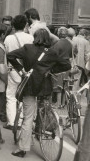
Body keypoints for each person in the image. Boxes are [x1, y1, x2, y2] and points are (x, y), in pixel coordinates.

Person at [7, 28, 71, 158]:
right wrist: (50, 69)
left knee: (28, 116)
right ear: (48, 39)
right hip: (45, 86)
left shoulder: (27, 48)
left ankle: (23, 148)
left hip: (30, 85)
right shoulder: (51, 51)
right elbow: (66, 65)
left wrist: (21, 70)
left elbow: (10, 56)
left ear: (34, 37)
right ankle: (40, 132)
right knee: (44, 110)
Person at [4, 15, 33, 130]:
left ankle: (12, 122)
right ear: (25, 24)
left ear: (13, 25)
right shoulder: (30, 38)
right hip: (27, 69)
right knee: (24, 95)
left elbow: (6, 54)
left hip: (13, 69)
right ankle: (22, 119)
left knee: (11, 96)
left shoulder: (9, 38)